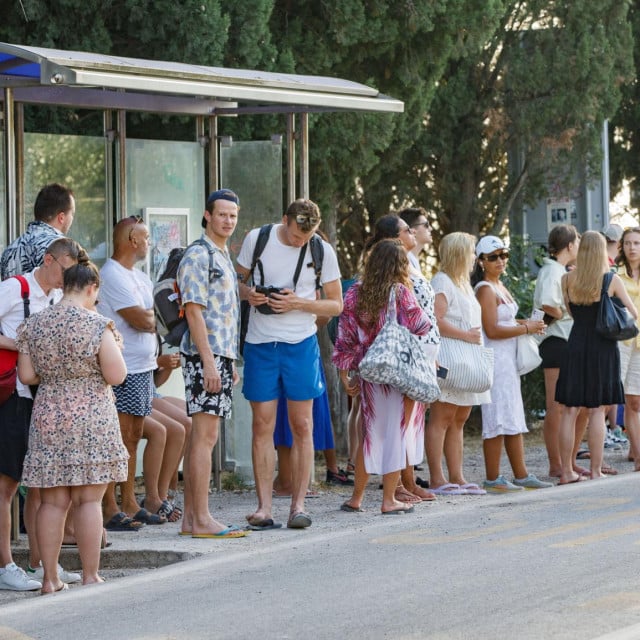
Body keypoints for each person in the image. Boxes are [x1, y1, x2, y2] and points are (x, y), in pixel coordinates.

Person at [16, 260, 128, 594]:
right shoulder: (97, 325)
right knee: (88, 502)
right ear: (92, 288)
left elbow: (27, 376)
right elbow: (116, 375)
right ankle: (91, 574)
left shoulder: (34, 324)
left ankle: (50, 579)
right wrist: (116, 348)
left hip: (49, 413)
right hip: (91, 415)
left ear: (65, 286)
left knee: (52, 503)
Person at [237, 199, 342, 530]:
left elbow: (336, 305)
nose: (301, 242)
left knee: (303, 425)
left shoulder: (321, 250)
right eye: (297, 235)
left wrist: (298, 302)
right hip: (261, 343)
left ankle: (298, 506)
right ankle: (264, 508)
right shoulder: (259, 239)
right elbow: (234, 283)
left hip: (301, 344)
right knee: (262, 426)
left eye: (307, 235)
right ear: (284, 220)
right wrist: (249, 294)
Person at [0, 238, 82, 591]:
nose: (68, 278)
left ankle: (40, 564)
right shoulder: (15, 287)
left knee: (40, 484)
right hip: (13, 396)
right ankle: (5, 565)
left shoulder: (56, 299)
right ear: (49, 260)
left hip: (42, 398)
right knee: (7, 484)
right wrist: (20, 344)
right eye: (65, 269)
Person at [333, 239, 431, 513]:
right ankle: (389, 500)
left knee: (371, 435)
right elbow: (422, 325)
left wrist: (344, 372)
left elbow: (345, 337)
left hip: (369, 371)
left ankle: (356, 498)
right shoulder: (400, 292)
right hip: (397, 373)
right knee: (396, 435)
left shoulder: (355, 293)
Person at [177, 189, 247, 538]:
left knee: (203, 437)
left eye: (232, 215)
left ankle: (191, 519)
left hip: (218, 355)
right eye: (222, 214)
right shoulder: (198, 254)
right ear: (207, 215)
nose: (228, 221)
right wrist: (207, 361)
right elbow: (194, 310)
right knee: (205, 437)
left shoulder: (221, 254)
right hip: (203, 356)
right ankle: (202, 518)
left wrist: (225, 360)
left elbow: (222, 316)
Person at [363, 214, 439, 502]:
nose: (414, 232)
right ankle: (397, 483)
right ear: (395, 238)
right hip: (403, 352)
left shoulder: (413, 263)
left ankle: (408, 479)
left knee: (412, 421)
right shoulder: (390, 269)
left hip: (422, 350)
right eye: (408, 229)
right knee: (399, 420)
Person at [555, 231, 637, 484]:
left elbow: (570, 311)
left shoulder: (567, 279)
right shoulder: (611, 280)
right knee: (597, 411)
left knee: (569, 409)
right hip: (604, 347)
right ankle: (595, 470)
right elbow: (633, 314)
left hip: (577, 344)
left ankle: (567, 471)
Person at [98, 216, 164, 530]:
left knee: (134, 437)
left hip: (143, 367)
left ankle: (129, 500)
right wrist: (160, 319)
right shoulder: (112, 274)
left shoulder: (138, 276)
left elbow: (156, 316)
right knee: (119, 438)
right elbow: (142, 318)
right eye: (146, 237)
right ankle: (109, 506)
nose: (150, 243)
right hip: (124, 368)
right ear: (131, 240)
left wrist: (158, 318)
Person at [472, 236, 552, 492]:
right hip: (495, 359)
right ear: (481, 261)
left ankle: (521, 473)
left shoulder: (499, 285)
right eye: (493, 257)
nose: (500, 261)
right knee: (496, 415)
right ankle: (493, 476)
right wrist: (525, 327)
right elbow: (492, 329)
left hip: (508, 360)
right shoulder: (485, 288)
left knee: (512, 415)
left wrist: (527, 325)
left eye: (503, 255)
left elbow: (504, 321)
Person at [425, 232, 491, 495]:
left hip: (469, 358)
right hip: (453, 354)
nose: (475, 256)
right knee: (443, 415)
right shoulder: (442, 281)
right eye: (471, 251)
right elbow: (435, 320)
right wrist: (465, 335)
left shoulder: (463, 282)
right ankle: (437, 478)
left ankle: (457, 475)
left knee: (460, 417)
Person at [532, 225, 591, 477]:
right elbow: (548, 304)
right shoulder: (550, 271)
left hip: (570, 341)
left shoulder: (560, 271)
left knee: (581, 405)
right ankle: (557, 464)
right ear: (569, 245)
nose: (579, 245)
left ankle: (569, 459)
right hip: (556, 342)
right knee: (556, 405)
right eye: (577, 241)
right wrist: (566, 311)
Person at [1, 183, 75, 280]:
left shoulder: (9, 251)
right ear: (61, 217)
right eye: (72, 213)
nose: (72, 218)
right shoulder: (62, 248)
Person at [615, 227, 640, 471]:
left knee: (635, 401)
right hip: (620, 342)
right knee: (613, 397)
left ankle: (638, 454)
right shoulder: (615, 275)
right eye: (629, 243)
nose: (633, 247)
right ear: (622, 246)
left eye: (637, 243)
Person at [398, 207, 431, 273]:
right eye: (426, 225)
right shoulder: (404, 262)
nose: (430, 228)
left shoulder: (413, 259)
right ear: (412, 230)